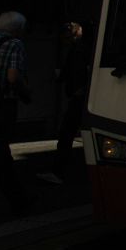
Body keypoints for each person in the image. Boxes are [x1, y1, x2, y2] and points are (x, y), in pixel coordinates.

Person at [0, 11, 32, 224]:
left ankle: (19, 201)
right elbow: (13, 76)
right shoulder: (15, 44)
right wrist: (26, 93)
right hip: (2, 105)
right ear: (18, 28)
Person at [39, 22, 89, 185]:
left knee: (66, 134)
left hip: (78, 96)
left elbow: (71, 72)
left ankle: (59, 171)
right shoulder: (84, 48)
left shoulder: (77, 51)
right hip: (82, 95)